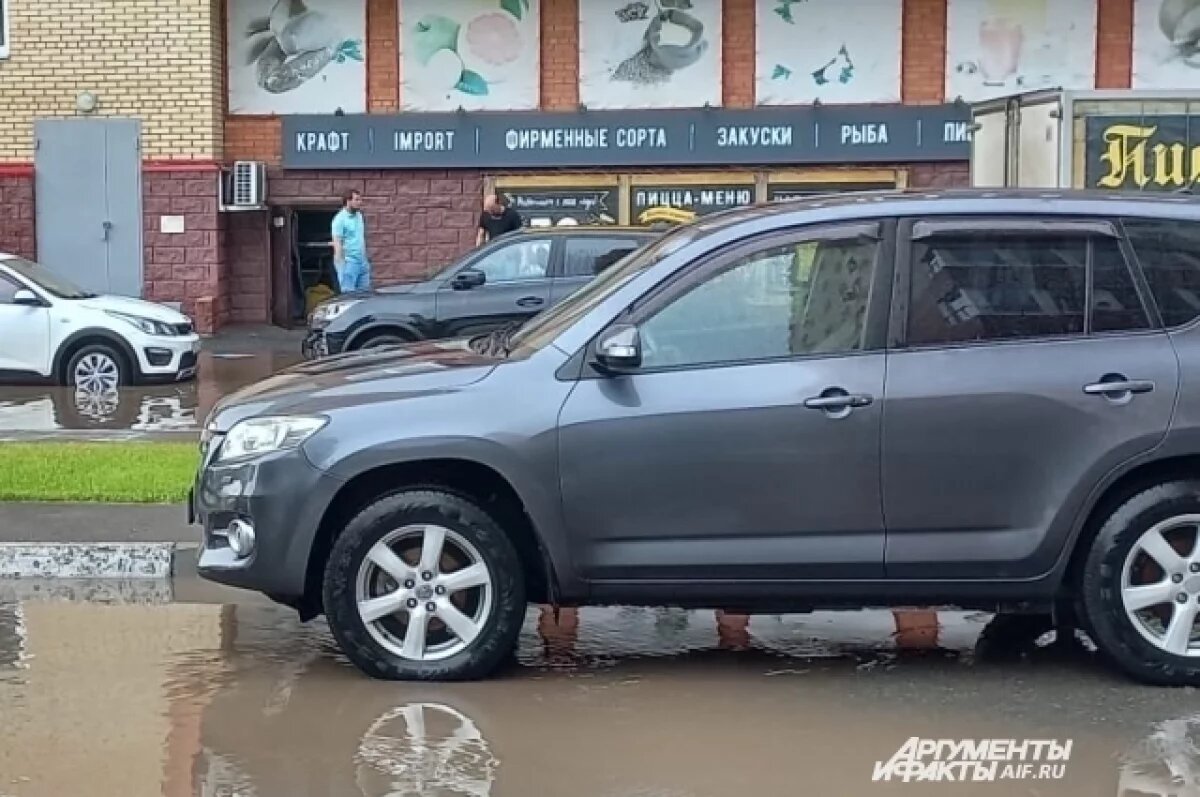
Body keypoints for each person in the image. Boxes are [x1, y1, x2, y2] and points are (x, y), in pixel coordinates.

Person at [331, 189, 371, 293]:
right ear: (348, 201)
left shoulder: (359, 215)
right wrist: (341, 266)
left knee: (364, 296)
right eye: (357, 200)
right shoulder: (339, 220)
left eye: (360, 199)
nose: (360, 202)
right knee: (349, 296)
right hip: (349, 262)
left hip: (362, 261)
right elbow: (337, 242)